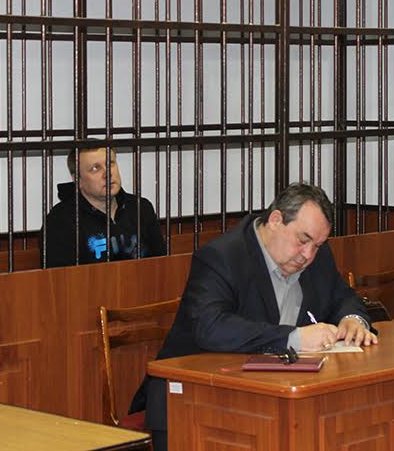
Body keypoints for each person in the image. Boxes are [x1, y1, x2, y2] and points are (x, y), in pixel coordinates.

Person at [136, 183, 376, 451]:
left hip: (273, 398)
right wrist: (293, 338)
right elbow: (211, 326)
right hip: (193, 401)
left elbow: (342, 296)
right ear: (276, 220)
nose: (308, 255)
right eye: (303, 240)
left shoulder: (315, 255)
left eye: (317, 245)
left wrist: (352, 319)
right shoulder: (222, 256)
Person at [44, 142, 166, 267]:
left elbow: (162, 264)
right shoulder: (60, 221)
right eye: (95, 168)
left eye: (110, 164)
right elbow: (61, 276)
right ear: (78, 180)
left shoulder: (141, 207)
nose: (107, 173)